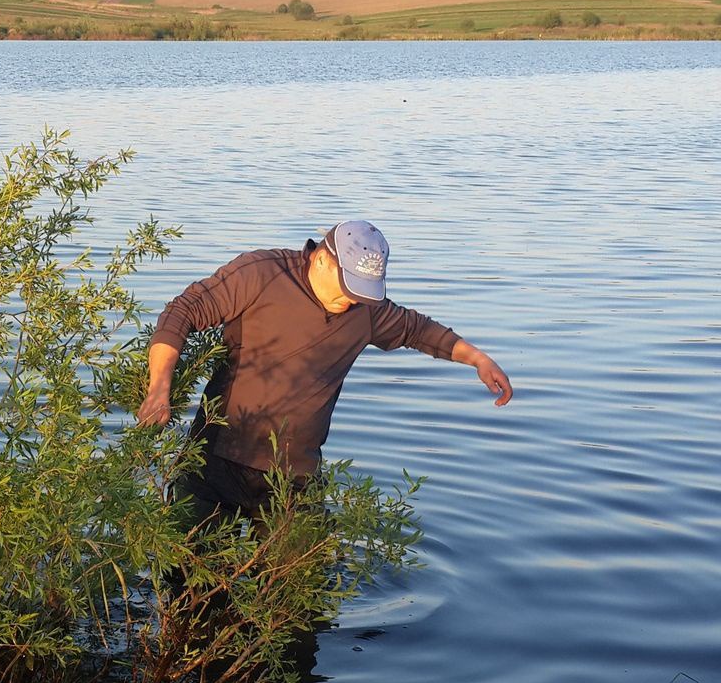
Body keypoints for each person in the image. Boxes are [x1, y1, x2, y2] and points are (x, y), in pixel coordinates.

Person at [136, 220, 512, 529]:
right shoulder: (261, 274)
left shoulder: (366, 310)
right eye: (349, 287)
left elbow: (419, 330)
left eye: (363, 293)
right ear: (321, 260)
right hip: (216, 460)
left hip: (294, 474)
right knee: (192, 587)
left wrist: (477, 359)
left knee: (298, 607)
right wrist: (159, 389)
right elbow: (182, 311)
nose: (352, 300)